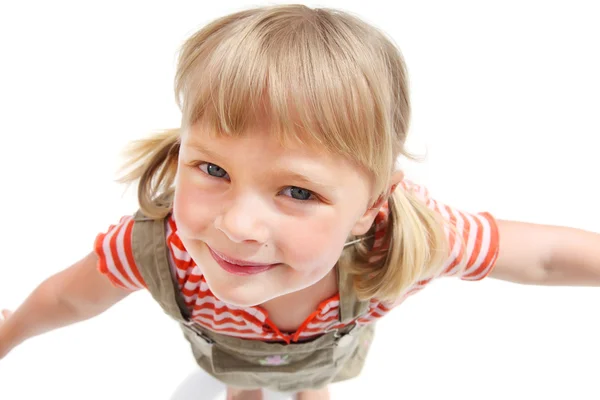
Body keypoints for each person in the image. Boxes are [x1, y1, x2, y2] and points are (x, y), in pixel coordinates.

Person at [1, 4, 598, 400]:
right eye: (212, 169)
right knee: (239, 381)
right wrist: (10, 333)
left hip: (330, 351)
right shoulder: (151, 247)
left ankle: (312, 389)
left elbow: (542, 256)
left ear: (371, 207)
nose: (237, 225)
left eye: (297, 191)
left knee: (320, 377)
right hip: (228, 354)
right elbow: (69, 297)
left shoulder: (409, 237)